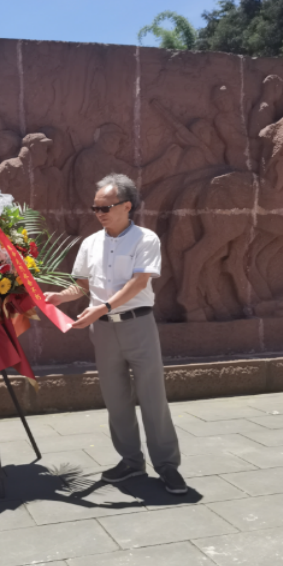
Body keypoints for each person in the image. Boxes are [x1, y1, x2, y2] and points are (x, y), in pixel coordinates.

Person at [45, 174, 187, 495]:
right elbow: (82, 286)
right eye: (95, 208)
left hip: (138, 325)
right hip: (104, 331)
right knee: (115, 399)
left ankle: (167, 465)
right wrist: (59, 297)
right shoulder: (90, 243)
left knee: (153, 398)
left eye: (106, 207)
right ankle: (131, 461)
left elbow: (139, 282)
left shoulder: (145, 239)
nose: (99, 213)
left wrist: (102, 307)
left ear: (127, 206)